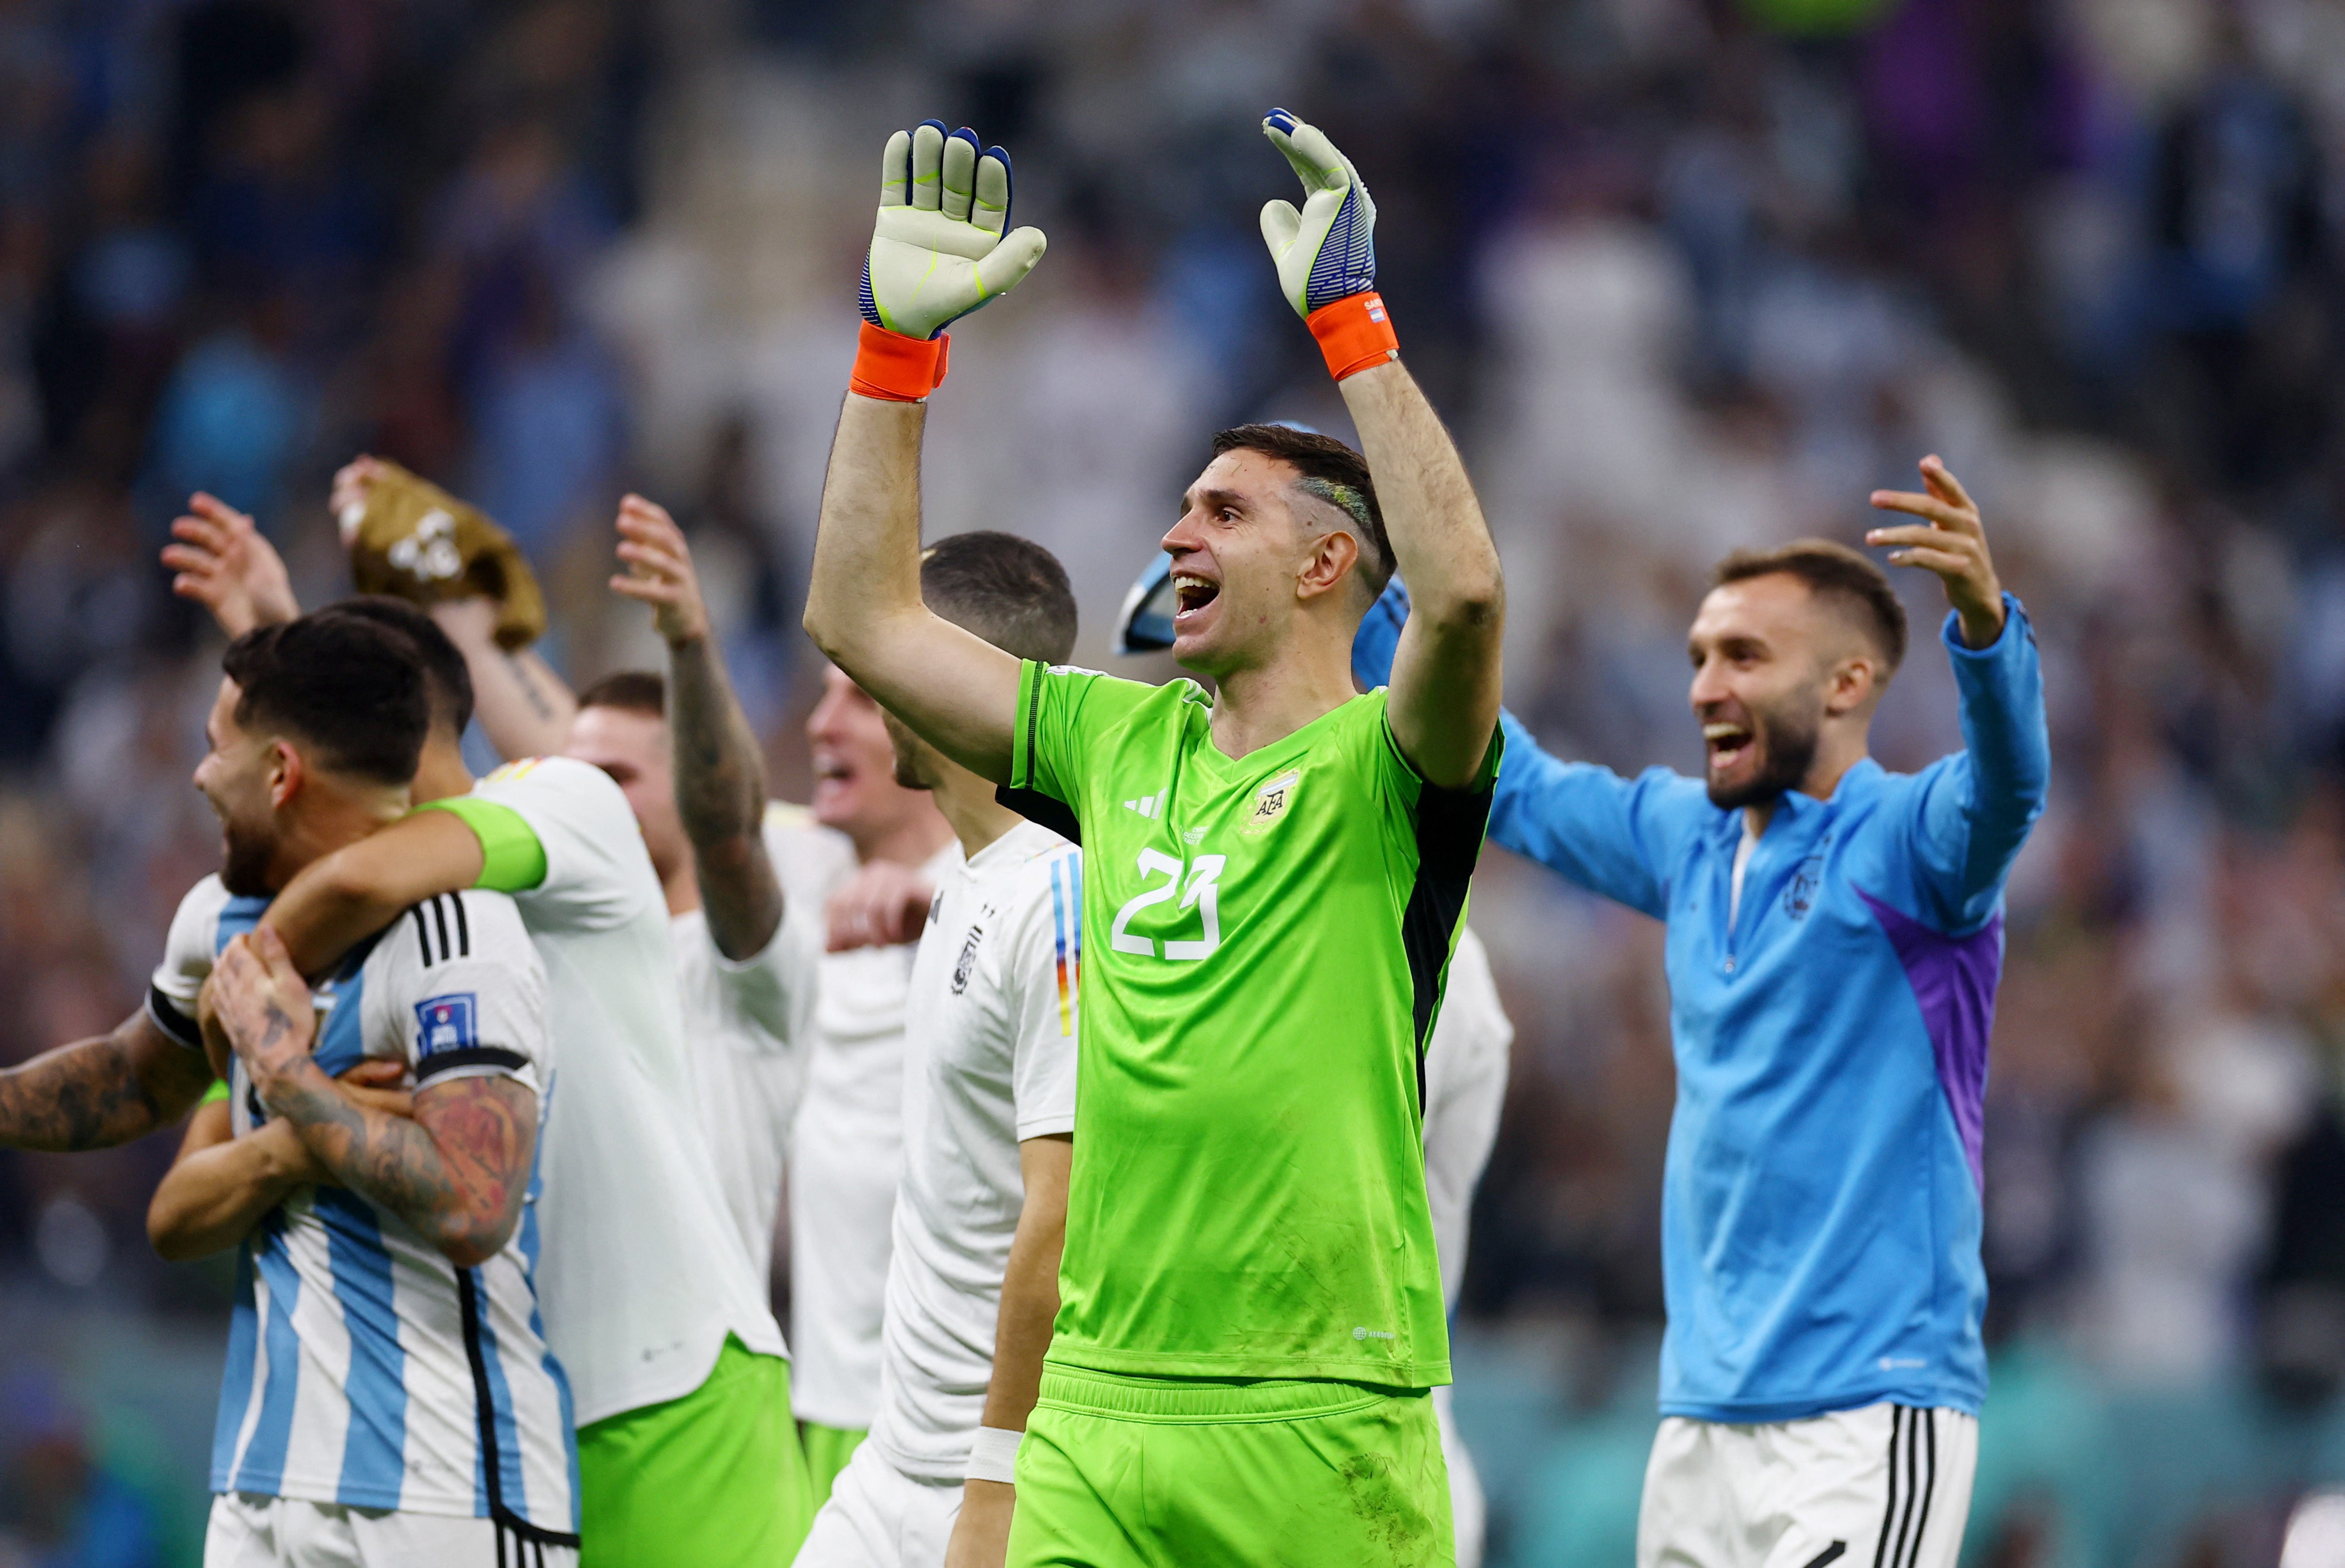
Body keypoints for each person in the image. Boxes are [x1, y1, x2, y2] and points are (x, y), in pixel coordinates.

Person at [803, 111, 1504, 1566]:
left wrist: (1354, 327)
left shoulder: (1388, 768)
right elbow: (863, 621)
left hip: (1323, 1410)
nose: (1176, 531)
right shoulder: (1111, 740)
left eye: (1224, 510)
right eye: (1181, 504)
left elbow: (1468, 600)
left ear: (1325, 565)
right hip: (1097, 1414)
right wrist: (893, 353)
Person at [1351, 463, 2049, 1568]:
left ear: (1847, 683)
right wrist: (1376, 614)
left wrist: (1983, 624)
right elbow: (1510, 780)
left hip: (1864, 1411)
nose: (1705, 686)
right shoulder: (1686, 839)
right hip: (1700, 1417)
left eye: (1744, 656)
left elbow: (2009, 789)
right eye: (1699, 659)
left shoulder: (1910, 846)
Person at [164, 487, 814, 1566]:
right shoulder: (404, 914)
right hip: (503, 1421)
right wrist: (274, 644)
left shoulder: (559, 801)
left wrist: (227, 990)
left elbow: (368, 852)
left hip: (666, 1390)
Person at [315, 462, 954, 1494]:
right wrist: (463, 622)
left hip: (923, 1405)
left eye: (858, 700)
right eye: (821, 695)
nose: (820, 725)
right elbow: (603, 783)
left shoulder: (1021, 882)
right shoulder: (798, 865)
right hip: (797, 1392)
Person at [179, 613, 577, 1564]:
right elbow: (176, 1219)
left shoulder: (458, 932)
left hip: (446, 1486)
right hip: (259, 1481)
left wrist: (286, 1078)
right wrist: (302, 1125)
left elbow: (477, 1204)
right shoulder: (242, 943)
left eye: (216, 747)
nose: (199, 773)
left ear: (280, 771)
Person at [797, 533, 1082, 1568]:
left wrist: (995, 1486)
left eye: (881, 656)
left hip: (993, 1480)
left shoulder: (1063, 898)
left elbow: (1059, 1218)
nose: (864, 688)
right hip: (890, 1464)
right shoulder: (975, 874)